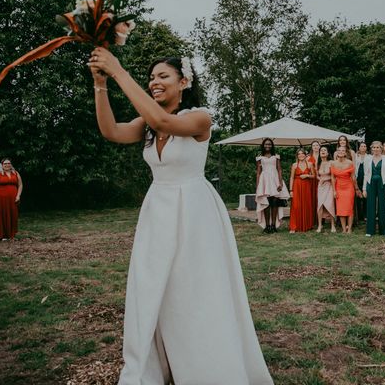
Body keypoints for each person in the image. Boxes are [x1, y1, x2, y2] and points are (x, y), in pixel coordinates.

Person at [88, 48, 273, 384]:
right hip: (157, 209)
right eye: (152, 77)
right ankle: (157, 364)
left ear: (184, 81)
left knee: (192, 289)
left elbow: (163, 121)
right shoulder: (147, 122)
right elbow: (111, 131)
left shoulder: (199, 118)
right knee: (153, 286)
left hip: (194, 212)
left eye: (163, 77)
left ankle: (204, 364)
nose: (154, 82)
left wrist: (117, 71)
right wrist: (100, 85)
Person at [255, 138, 289, 233]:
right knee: (266, 202)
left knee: (275, 202)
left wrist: (280, 182)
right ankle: (267, 226)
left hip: (275, 179)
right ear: (263, 145)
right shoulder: (259, 157)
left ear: (272, 145)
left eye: (269, 144)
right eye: (266, 144)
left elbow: (279, 169)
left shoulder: (276, 156)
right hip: (264, 180)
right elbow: (258, 172)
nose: (267, 146)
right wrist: (258, 185)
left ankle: (274, 225)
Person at [363, 141, 385, 237]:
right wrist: (364, 189)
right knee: (370, 206)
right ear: (371, 149)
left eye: (378, 147)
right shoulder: (367, 158)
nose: (376, 149)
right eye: (374, 148)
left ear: (381, 148)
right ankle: (370, 230)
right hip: (370, 183)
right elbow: (366, 174)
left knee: (383, 206)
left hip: (382, 183)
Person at [0, 158, 22, 240]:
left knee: (13, 214)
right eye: (5, 164)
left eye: (9, 163)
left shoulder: (15, 173)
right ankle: (2, 235)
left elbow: (20, 185)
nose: (7, 165)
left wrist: (18, 196)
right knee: (2, 215)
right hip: (1, 199)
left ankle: (11, 234)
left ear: (11, 164)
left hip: (13, 199)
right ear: (2, 165)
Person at [330, 146, 357, 233]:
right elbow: (333, 178)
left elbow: (353, 177)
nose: (341, 152)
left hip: (348, 187)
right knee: (340, 208)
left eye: (343, 151)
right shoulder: (333, 163)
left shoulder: (350, 163)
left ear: (345, 153)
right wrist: (334, 190)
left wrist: (356, 188)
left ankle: (349, 229)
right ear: (337, 152)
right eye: (339, 150)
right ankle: (343, 229)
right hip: (338, 187)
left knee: (349, 207)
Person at [289, 148, 316, 233]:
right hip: (296, 186)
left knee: (306, 204)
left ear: (305, 155)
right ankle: (294, 226)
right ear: (297, 156)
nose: (301, 155)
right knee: (296, 205)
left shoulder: (310, 164)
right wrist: (291, 190)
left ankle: (307, 225)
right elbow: (292, 177)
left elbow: (314, 176)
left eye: (302, 153)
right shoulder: (294, 165)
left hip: (306, 187)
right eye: (299, 154)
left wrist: (307, 175)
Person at [316, 146, 336, 233]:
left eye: (324, 150)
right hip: (321, 187)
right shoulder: (318, 163)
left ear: (328, 153)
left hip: (329, 186)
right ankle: (320, 225)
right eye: (321, 150)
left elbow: (333, 176)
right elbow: (317, 175)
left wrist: (326, 179)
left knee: (330, 204)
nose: (322, 151)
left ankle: (333, 225)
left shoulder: (331, 162)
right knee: (320, 205)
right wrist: (320, 179)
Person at [354, 142, 368, 223]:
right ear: (359, 148)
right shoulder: (356, 156)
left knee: (366, 196)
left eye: (364, 146)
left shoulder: (369, 157)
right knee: (357, 197)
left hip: (365, 178)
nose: (363, 147)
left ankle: (366, 215)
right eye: (361, 146)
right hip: (357, 177)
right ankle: (359, 215)